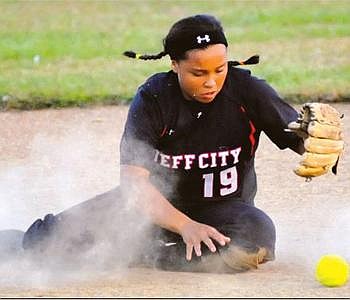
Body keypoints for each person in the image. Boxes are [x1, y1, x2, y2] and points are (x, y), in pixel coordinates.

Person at [4, 14, 342, 273]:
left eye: (220, 69)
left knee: (256, 237)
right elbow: (134, 188)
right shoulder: (154, 98)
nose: (212, 81)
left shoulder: (247, 91)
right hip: (150, 209)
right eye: (198, 73)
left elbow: (299, 136)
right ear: (175, 64)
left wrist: (317, 143)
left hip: (222, 211)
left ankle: (147, 255)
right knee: (46, 241)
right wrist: (185, 226)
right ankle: (132, 244)